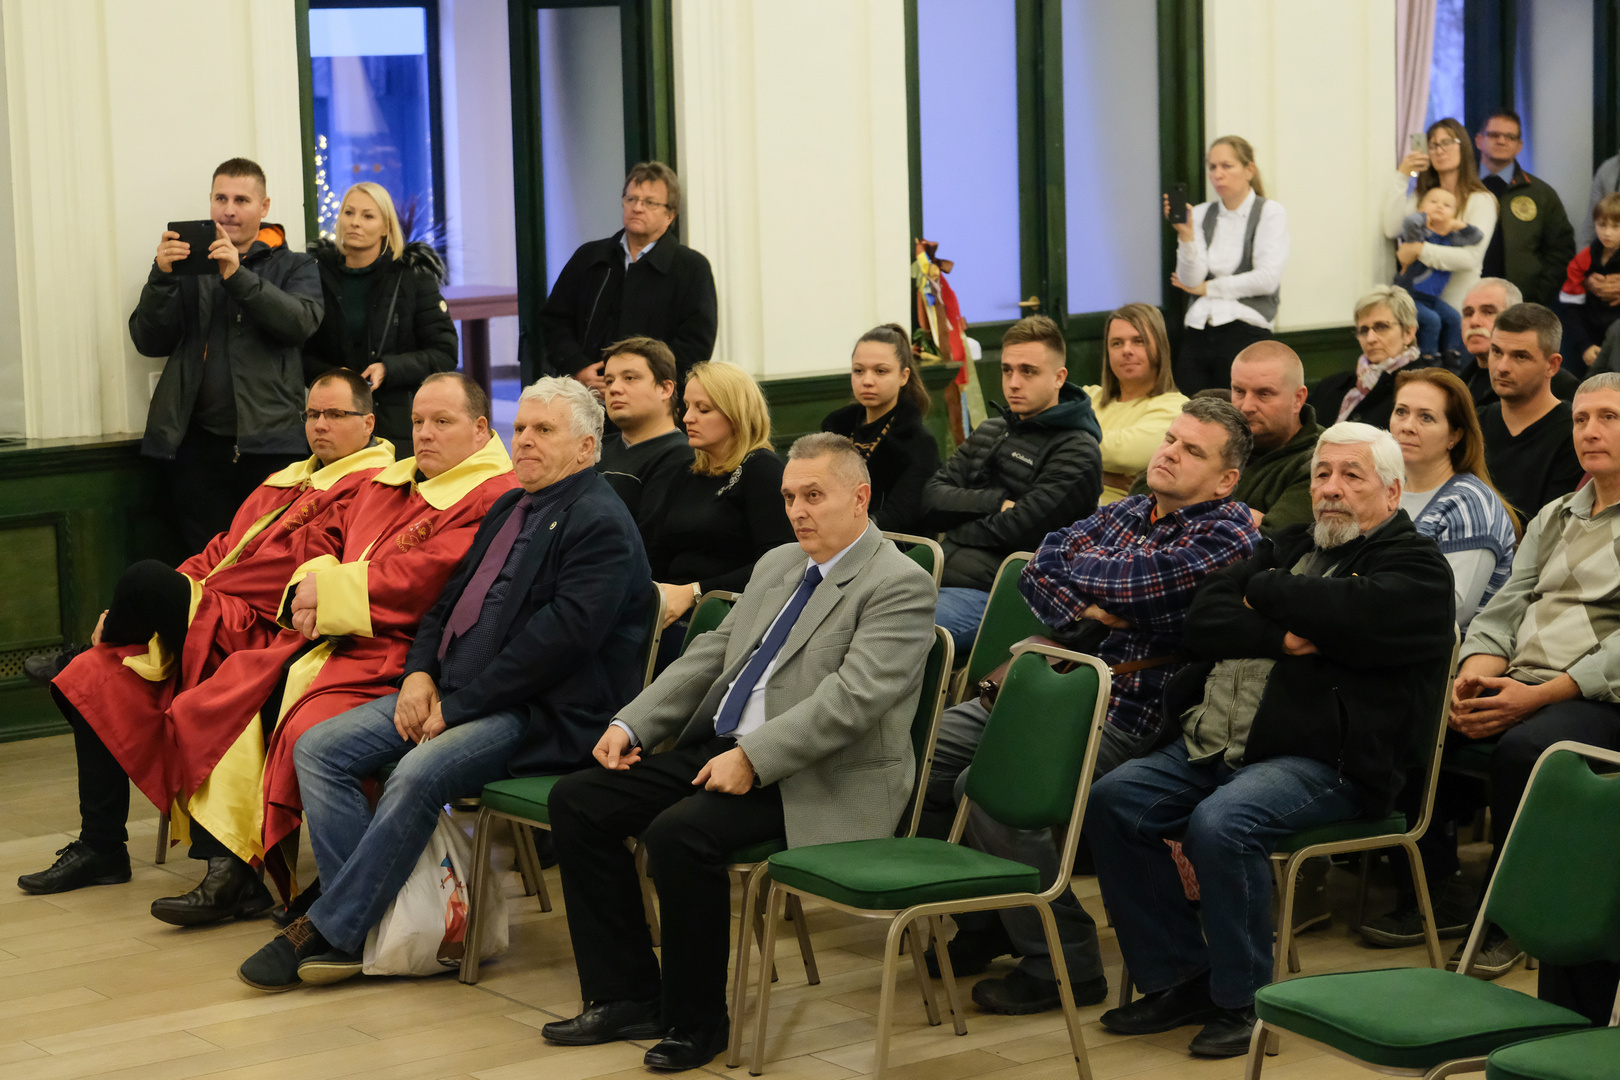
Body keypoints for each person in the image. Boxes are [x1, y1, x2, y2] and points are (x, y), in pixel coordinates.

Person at [235, 377, 653, 992]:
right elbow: (445, 604)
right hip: (457, 693)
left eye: (544, 431)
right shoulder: (512, 505)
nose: (525, 441)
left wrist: (458, 707)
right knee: (319, 748)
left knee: (417, 772)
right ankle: (371, 926)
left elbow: (556, 648)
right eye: (521, 428)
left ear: (587, 447)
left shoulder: (600, 522)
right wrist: (419, 675)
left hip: (540, 711)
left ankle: (331, 929)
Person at [538, 433, 938, 1071]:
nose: (798, 511)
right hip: (726, 747)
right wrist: (633, 722)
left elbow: (853, 701)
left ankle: (696, 1023)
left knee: (679, 836)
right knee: (579, 800)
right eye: (789, 497)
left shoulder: (898, 584)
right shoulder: (779, 563)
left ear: (860, 498)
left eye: (814, 496)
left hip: (817, 773)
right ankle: (626, 996)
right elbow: (710, 655)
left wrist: (755, 758)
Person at [1086, 423, 1455, 1059]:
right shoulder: (1288, 543)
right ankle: (1180, 979)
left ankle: (1245, 1002)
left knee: (1222, 824)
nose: (1331, 489)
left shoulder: (1415, 565)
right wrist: (1279, 633)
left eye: (1351, 476)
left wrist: (1262, 591)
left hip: (1327, 761)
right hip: (1216, 740)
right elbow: (1206, 614)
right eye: (1322, 475)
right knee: (1115, 801)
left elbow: (1348, 611)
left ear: (1393, 492)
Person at [920, 398, 1260, 1016]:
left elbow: (1141, 584)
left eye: (1192, 451)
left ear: (1225, 479)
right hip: (1047, 684)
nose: (1170, 453)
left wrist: (1096, 579)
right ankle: (993, 915)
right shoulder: (1130, 508)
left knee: (994, 791)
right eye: (1171, 439)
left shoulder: (1229, 533)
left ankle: (1062, 961)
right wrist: (1097, 604)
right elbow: (1041, 564)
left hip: (1125, 708)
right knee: (921, 758)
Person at [142, 373, 519, 920]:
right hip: (341, 638)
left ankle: (333, 896)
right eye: (418, 421)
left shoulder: (491, 495)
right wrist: (312, 586)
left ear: (481, 428)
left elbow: (426, 580)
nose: (425, 434)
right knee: (225, 691)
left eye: (442, 422)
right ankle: (236, 868)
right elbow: (329, 542)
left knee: (298, 724)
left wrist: (328, 594)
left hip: (404, 655)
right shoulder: (393, 481)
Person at [18, 372, 395, 896]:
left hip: (265, 630)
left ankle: (105, 637)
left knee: (144, 580)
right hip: (217, 608)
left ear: (368, 422)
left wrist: (193, 592)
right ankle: (102, 847)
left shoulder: (375, 489)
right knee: (93, 674)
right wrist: (186, 587)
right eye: (312, 414)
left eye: (335, 415)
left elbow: (319, 573)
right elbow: (224, 548)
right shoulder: (288, 479)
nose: (320, 425)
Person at [1440, 373, 1620, 978]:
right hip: (1524, 678)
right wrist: (1474, 677)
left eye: (1609, 418)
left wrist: (1536, 696)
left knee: (1528, 750)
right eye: (1581, 419)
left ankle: (1510, 917)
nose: (1590, 431)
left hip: (1596, 694)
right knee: (1420, 723)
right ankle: (1433, 891)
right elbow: (1505, 608)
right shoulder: (1555, 514)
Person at [134, 157, 323, 552]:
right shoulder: (187, 267)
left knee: (265, 559)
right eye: (221, 198)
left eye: (242, 200)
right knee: (202, 562)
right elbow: (149, 341)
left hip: (271, 445)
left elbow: (300, 323)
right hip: (196, 447)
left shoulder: (296, 266)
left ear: (264, 207)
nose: (229, 210)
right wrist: (161, 277)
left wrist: (237, 276)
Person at [920, 315, 1103, 655]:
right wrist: (994, 502)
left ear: (1059, 377)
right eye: (1007, 370)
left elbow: (1019, 529)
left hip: (1002, 597)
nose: (1014, 383)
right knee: (845, 617)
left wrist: (955, 523)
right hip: (936, 575)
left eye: (1028, 371)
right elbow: (930, 500)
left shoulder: (1077, 449)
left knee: (894, 633)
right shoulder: (991, 429)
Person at [643, 362, 794, 661]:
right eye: (687, 406)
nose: (688, 417)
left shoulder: (762, 471)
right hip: (672, 607)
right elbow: (657, 550)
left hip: (726, 613)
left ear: (736, 415)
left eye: (703, 409)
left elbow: (779, 563)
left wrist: (695, 591)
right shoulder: (686, 472)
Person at [303, 182, 458, 456]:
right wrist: (334, 376)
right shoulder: (315, 276)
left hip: (396, 422)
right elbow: (301, 353)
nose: (355, 222)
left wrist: (389, 368)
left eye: (368, 216)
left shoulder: (412, 277)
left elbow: (444, 352)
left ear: (386, 227)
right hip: (335, 424)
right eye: (349, 213)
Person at [539, 162, 717, 392]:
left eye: (650, 202)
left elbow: (695, 346)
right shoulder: (589, 257)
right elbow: (555, 321)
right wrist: (577, 367)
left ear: (670, 215)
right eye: (631, 199)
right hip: (585, 395)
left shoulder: (691, 268)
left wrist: (640, 382)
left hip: (654, 399)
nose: (638, 208)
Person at [1389, 369, 1520, 627]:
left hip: (1446, 649)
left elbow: (1453, 609)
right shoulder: (1383, 490)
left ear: (1454, 436)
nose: (1407, 427)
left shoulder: (1470, 503)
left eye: (1426, 417)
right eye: (1401, 412)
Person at [1166, 136, 1290, 394]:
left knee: (1235, 410)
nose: (1218, 174)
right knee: (1190, 406)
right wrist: (1186, 235)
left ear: (1249, 170)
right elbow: (1190, 280)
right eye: (1212, 167)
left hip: (1245, 328)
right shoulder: (1201, 213)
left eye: (1226, 166)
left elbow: (1266, 279)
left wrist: (1208, 289)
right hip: (1198, 327)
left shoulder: (1269, 212)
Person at [820, 323, 941, 534]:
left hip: (892, 545)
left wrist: (844, 534)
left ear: (903, 376)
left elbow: (899, 517)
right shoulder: (835, 430)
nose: (867, 381)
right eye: (859, 371)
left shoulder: (918, 443)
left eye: (880, 371)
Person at [1477, 303, 1584, 522]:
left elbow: (1551, 528)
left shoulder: (1576, 433)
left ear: (1552, 365)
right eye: (1496, 352)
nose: (1502, 367)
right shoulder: (1474, 422)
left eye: (1520, 356)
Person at [1384, 118, 1496, 316]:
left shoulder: (1481, 199)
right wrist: (1403, 175)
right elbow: (1392, 229)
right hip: (1418, 305)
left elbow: (1470, 259)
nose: (1439, 150)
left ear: (1463, 147)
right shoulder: (1423, 196)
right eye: (1433, 145)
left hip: (1460, 308)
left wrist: (1419, 250)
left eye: (1447, 142)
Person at [1083, 304, 1188, 502]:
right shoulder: (1087, 397)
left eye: (1138, 341)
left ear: (1159, 346)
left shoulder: (1177, 408)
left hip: (1116, 518)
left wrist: (1064, 460)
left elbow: (1122, 454)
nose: (1127, 350)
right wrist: (1104, 476)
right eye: (1116, 343)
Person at [1474, 111, 1576, 308]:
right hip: (1465, 297)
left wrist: (1537, 297)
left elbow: (1561, 251)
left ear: (1519, 146)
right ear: (1479, 140)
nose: (1501, 141)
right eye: (1494, 135)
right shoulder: (1461, 188)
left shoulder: (1541, 193)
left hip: (1523, 303)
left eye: (1510, 137)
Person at [596, 336, 694, 531]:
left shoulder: (682, 456)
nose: (614, 389)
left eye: (630, 378)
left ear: (665, 389)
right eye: (609, 381)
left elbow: (650, 537)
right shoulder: (596, 449)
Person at [1226, 342, 1323, 534]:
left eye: (1264, 394)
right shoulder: (1215, 440)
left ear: (1298, 398)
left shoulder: (1322, 461)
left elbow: (1272, 540)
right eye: (1239, 391)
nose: (1246, 406)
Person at [1309, 285, 1437, 429]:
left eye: (1381, 327)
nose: (1370, 339)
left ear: (1408, 333)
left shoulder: (1426, 387)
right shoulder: (1329, 386)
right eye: (1363, 330)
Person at [1394, 187, 1485, 360]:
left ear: (1454, 213)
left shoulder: (1451, 238)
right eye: (1433, 202)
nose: (1439, 206)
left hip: (1432, 298)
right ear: (1420, 207)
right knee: (1432, 320)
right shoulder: (1418, 233)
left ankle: (1452, 353)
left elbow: (1477, 237)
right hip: (1408, 296)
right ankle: (1428, 356)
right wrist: (1423, 216)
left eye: (1447, 205)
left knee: (1454, 317)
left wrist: (1457, 224)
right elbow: (1409, 222)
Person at [1557, 192, 1620, 371]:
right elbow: (1570, 305)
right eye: (1602, 224)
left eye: (1616, 226)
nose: (1607, 233)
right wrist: (1584, 344)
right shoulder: (1584, 258)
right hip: (1588, 335)